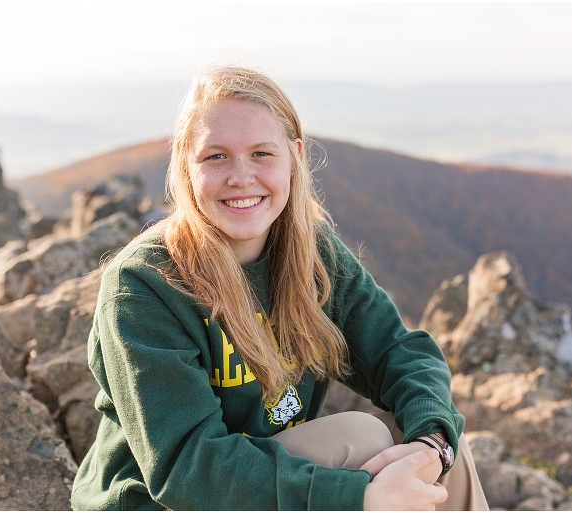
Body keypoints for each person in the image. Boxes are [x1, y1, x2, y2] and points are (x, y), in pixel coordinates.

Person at [70, 65, 488, 510]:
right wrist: (357, 498)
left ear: (294, 157)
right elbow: (189, 468)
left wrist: (432, 443)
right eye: (215, 157)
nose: (240, 176)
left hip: (260, 484)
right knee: (360, 438)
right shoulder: (146, 286)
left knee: (437, 445)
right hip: (171, 500)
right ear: (184, 165)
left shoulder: (310, 253)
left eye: (262, 154)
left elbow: (398, 352)